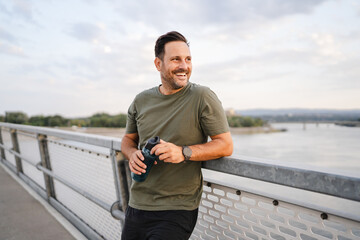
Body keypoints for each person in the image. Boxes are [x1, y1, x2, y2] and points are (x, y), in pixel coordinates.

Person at [121, 31, 233, 240]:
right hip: (137, 203)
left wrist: (183, 152)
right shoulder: (141, 100)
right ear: (158, 64)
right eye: (175, 59)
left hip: (177, 208)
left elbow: (225, 145)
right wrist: (132, 154)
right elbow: (128, 140)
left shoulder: (202, 96)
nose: (184, 66)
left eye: (188, 59)